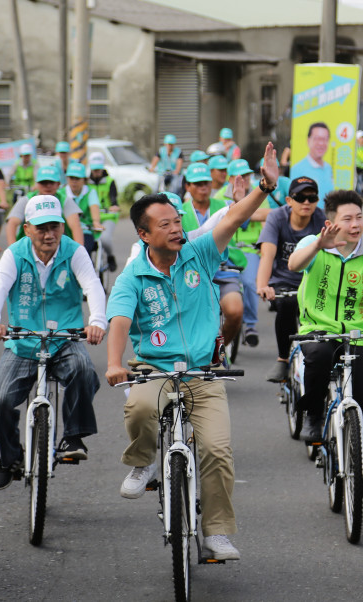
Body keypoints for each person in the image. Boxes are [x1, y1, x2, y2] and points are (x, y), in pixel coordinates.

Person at [104, 143, 281, 562]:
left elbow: (233, 218)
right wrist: (114, 363)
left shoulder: (199, 253)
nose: (175, 228)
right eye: (164, 224)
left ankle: (216, 533)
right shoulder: (133, 277)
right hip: (154, 370)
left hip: (204, 372)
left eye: (177, 220)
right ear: (144, 234)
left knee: (217, 451)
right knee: (141, 410)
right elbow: (120, 321)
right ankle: (145, 460)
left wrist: (264, 186)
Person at [0, 195, 107, 488]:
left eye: (54, 227)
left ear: (62, 227)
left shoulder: (74, 252)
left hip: (65, 337)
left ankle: (73, 436)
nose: (49, 234)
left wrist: (97, 322)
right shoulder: (15, 253)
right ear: (27, 229)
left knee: (84, 370)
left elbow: (93, 286)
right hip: (23, 340)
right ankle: (10, 457)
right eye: (41, 228)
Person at [287, 189, 363, 498]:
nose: (355, 225)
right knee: (320, 357)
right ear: (331, 222)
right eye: (347, 218)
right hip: (319, 331)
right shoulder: (314, 244)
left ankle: (362, 463)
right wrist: (318, 247)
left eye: (359, 218)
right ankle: (312, 413)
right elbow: (295, 264)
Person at [255, 176, 326, 383]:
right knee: (286, 305)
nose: (306, 202)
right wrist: (263, 285)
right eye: (300, 197)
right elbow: (267, 256)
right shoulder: (277, 218)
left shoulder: (321, 221)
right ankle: (283, 359)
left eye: (311, 198)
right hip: (283, 282)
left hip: (313, 281)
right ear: (289, 200)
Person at [183, 163, 243, 347]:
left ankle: (221, 348)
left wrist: (241, 203)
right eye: (198, 183)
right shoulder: (178, 211)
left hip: (224, 270)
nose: (203, 187)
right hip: (193, 274)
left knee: (235, 311)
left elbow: (242, 213)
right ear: (188, 187)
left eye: (206, 183)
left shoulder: (224, 205)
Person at [216, 159, 271, 348]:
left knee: (249, 283)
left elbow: (268, 215)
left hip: (248, 249)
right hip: (224, 249)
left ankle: (250, 325)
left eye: (247, 175)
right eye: (240, 175)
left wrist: (241, 211)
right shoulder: (218, 196)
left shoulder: (260, 192)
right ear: (230, 178)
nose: (246, 179)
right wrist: (248, 212)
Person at [4, 164, 85, 244]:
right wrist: (14, 251)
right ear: (37, 184)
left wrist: (79, 252)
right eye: (44, 182)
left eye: (51, 182)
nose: (48, 186)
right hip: (29, 248)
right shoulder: (26, 200)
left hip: (58, 247)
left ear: (58, 184)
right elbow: (12, 224)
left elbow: (75, 226)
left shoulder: (65, 200)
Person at [87, 152, 119, 272]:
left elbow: (114, 199)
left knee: (105, 239)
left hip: (107, 217)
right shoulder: (85, 182)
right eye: (94, 169)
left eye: (99, 169)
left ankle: (110, 257)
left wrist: (114, 206)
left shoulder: (110, 181)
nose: (97, 172)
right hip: (89, 218)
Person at [62, 162, 102, 254]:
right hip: (65, 232)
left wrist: (96, 222)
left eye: (77, 178)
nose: (74, 181)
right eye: (71, 178)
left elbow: (94, 207)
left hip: (85, 231)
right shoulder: (61, 193)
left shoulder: (90, 192)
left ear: (84, 180)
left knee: (84, 251)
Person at [290, 122, 335, 201]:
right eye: (317, 139)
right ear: (308, 140)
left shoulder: (328, 168)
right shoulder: (297, 169)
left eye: (325, 139)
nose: (321, 143)